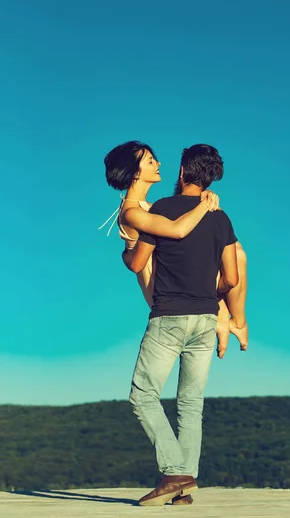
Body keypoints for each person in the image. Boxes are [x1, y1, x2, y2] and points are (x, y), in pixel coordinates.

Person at [127, 144, 242, 506]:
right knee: (191, 404)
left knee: (143, 395)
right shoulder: (220, 218)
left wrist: (127, 252)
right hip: (207, 318)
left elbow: (138, 263)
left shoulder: (162, 209)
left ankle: (175, 471)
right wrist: (211, 291)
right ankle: (184, 486)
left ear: (181, 171)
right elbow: (233, 277)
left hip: (169, 315)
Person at [100, 140, 248, 357]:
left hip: (177, 269)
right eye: (150, 161)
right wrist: (204, 203)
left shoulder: (150, 208)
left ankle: (234, 321)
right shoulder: (133, 213)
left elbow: (182, 209)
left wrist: (203, 194)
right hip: (162, 283)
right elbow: (177, 229)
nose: (158, 163)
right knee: (233, 254)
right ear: (135, 173)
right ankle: (233, 322)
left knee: (234, 250)